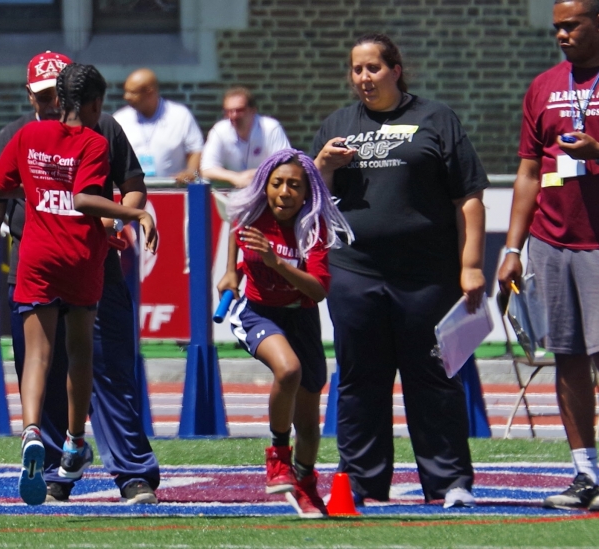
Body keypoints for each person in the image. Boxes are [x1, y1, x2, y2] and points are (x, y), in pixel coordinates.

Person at [0, 51, 162, 506]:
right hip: (68, 262)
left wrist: (115, 221)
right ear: (32, 94)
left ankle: (122, 468)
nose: (49, 103)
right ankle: (62, 459)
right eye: (40, 96)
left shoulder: (90, 133)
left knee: (99, 367)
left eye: (53, 95)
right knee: (70, 361)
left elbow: (131, 181)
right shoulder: (34, 135)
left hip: (60, 262)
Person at [311, 33, 488, 508]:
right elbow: (310, 205)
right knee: (360, 381)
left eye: (373, 68)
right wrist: (322, 166)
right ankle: (363, 486)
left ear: (396, 69)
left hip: (426, 275)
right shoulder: (338, 124)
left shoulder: (435, 119)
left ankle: (450, 483)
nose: (364, 78)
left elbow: (468, 197)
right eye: (356, 70)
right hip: (356, 273)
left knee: (433, 379)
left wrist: (470, 264)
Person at [497, 0, 599, 511]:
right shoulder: (542, 86)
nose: (561, 34)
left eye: (572, 25)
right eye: (557, 26)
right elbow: (529, 172)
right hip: (551, 241)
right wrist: (513, 247)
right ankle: (585, 474)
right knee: (569, 358)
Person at [217, 149, 352, 518]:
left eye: (294, 185)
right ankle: (277, 456)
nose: (285, 192)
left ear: (307, 191)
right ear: (266, 186)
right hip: (258, 312)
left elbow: (319, 290)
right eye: (277, 183)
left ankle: (306, 485)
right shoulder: (252, 213)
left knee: (309, 428)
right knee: (288, 370)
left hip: (302, 318)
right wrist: (232, 270)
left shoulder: (313, 227)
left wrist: (277, 263)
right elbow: (235, 225)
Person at [113, 68, 204, 184]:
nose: (126, 97)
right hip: (132, 190)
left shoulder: (180, 115)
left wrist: (191, 173)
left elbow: (195, 150)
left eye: (132, 92)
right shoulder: (119, 119)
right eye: (126, 91)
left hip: (172, 190)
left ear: (150, 93)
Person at [201, 87, 291, 188]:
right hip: (232, 192)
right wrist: (235, 177)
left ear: (253, 110)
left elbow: (285, 164)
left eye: (239, 110)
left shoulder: (270, 128)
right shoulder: (219, 130)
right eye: (228, 111)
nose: (233, 116)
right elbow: (207, 169)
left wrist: (255, 174)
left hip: (266, 190)